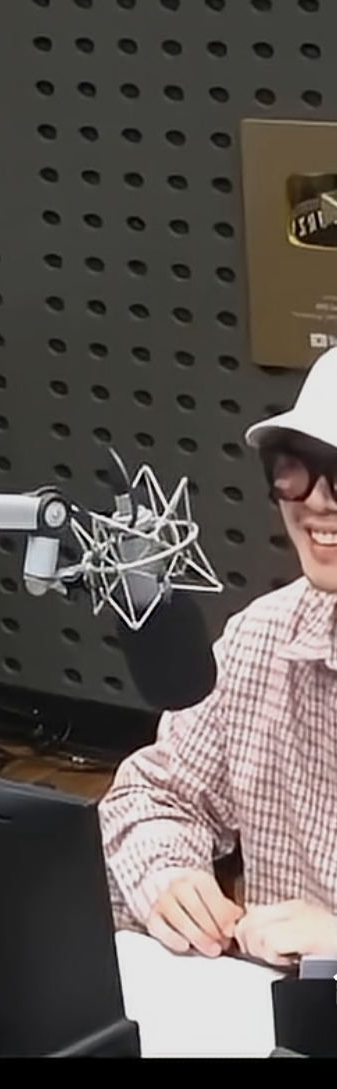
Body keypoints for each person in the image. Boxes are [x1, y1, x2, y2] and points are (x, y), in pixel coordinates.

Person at [99, 347, 337, 967]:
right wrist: (170, 878)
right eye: (297, 468)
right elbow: (154, 797)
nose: (316, 501)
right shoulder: (263, 638)